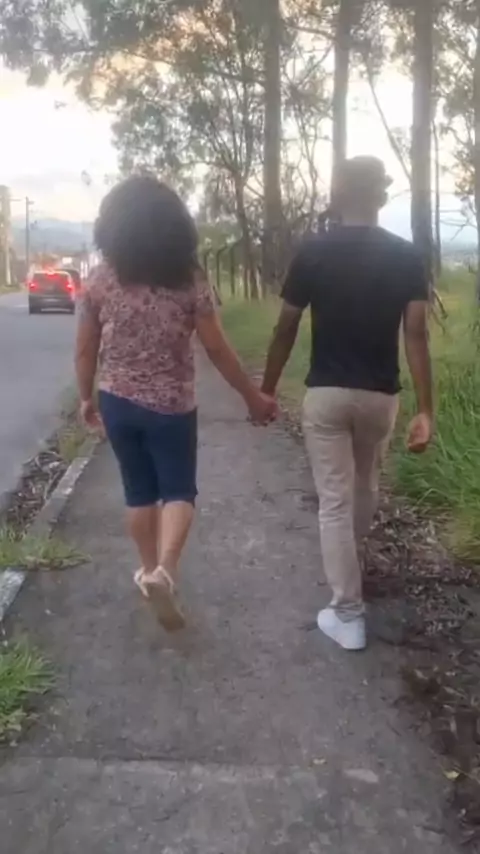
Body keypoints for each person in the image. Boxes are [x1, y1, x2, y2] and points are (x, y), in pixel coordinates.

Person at [75, 175, 276, 632]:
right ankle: (165, 570)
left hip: (117, 401)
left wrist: (86, 397)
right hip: (172, 407)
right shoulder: (190, 281)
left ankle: (149, 570)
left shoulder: (101, 279)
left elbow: (85, 349)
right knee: (178, 491)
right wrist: (253, 397)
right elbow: (217, 348)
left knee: (138, 492)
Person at [261, 155, 433, 651]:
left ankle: (347, 612)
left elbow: (286, 327)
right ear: (381, 196)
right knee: (363, 488)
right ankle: (349, 576)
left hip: (328, 395)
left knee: (334, 501)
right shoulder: (406, 256)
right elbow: (416, 334)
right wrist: (426, 409)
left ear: (337, 196)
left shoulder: (313, 252)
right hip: (380, 396)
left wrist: (266, 390)